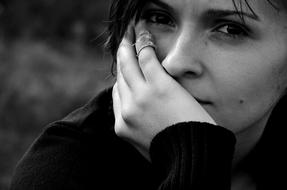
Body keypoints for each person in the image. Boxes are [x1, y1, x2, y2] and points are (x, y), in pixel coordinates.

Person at [10, 0, 287, 189]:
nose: (175, 62)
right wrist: (193, 157)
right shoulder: (63, 173)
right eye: (160, 18)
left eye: (231, 29)